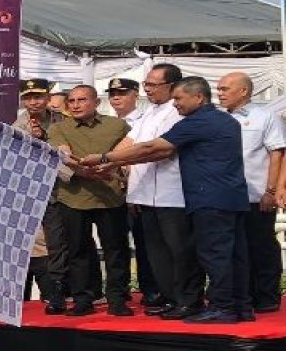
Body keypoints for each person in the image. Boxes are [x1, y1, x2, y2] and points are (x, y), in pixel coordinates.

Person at [87, 77, 250, 323]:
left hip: (209, 198)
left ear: (198, 97)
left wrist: (104, 158)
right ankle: (240, 307)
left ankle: (223, 307)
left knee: (214, 254)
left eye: (179, 99)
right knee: (233, 254)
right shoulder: (223, 119)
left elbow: (154, 148)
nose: (175, 104)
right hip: (229, 196)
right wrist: (113, 162)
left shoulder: (198, 121)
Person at [48, 85, 133, 317]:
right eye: (72, 101)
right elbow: (63, 154)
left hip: (111, 198)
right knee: (78, 251)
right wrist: (85, 171)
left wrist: (115, 167)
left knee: (116, 250)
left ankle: (117, 298)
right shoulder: (59, 128)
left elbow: (127, 155)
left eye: (82, 100)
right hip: (73, 198)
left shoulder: (117, 125)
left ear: (96, 102)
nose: (75, 105)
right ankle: (82, 299)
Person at [123, 64, 199, 319]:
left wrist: (106, 159)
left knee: (180, 251)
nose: (148, 89)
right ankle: (169, 298)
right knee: (156, 253)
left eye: (154, 84)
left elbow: (157, 149)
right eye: (146, 84)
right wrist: (107, 161)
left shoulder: (179, 113)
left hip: (173, 195)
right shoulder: (147, 114)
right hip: (145, 195)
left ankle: (189, 300)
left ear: (172, 86)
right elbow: (129, 143)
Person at [218, 72, 285, 313]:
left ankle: (267, 297)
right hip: (225, 198)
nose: (220, 93)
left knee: (261, 246)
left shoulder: (264, 116)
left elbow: (277, 152)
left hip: (255, 194)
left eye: (225, 89)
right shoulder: (217, 119)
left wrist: (271, 190)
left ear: (244, 91)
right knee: (234, 250)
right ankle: (241, 295)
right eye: (219, 89)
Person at [13, 77, 72, 313]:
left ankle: (86, 290)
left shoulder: (63, 120)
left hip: (72, 188)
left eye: (38, 96)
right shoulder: (18, 127)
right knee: (55, 243)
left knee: (79, 241)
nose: (33, 102)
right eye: (28, 98)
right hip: (44, 193)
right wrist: (38, 141)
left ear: (48, 98)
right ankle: (57, 293)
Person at [106, 75, 162, 309]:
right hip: (113, 193)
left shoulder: (146, 119)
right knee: (117, 244)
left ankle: (152, 290)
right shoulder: (106, 123)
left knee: (146, 244)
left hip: (139, 189)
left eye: (122, 93)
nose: (116, 98)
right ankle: (122, 291)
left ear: (134, 96)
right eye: (112, 94)